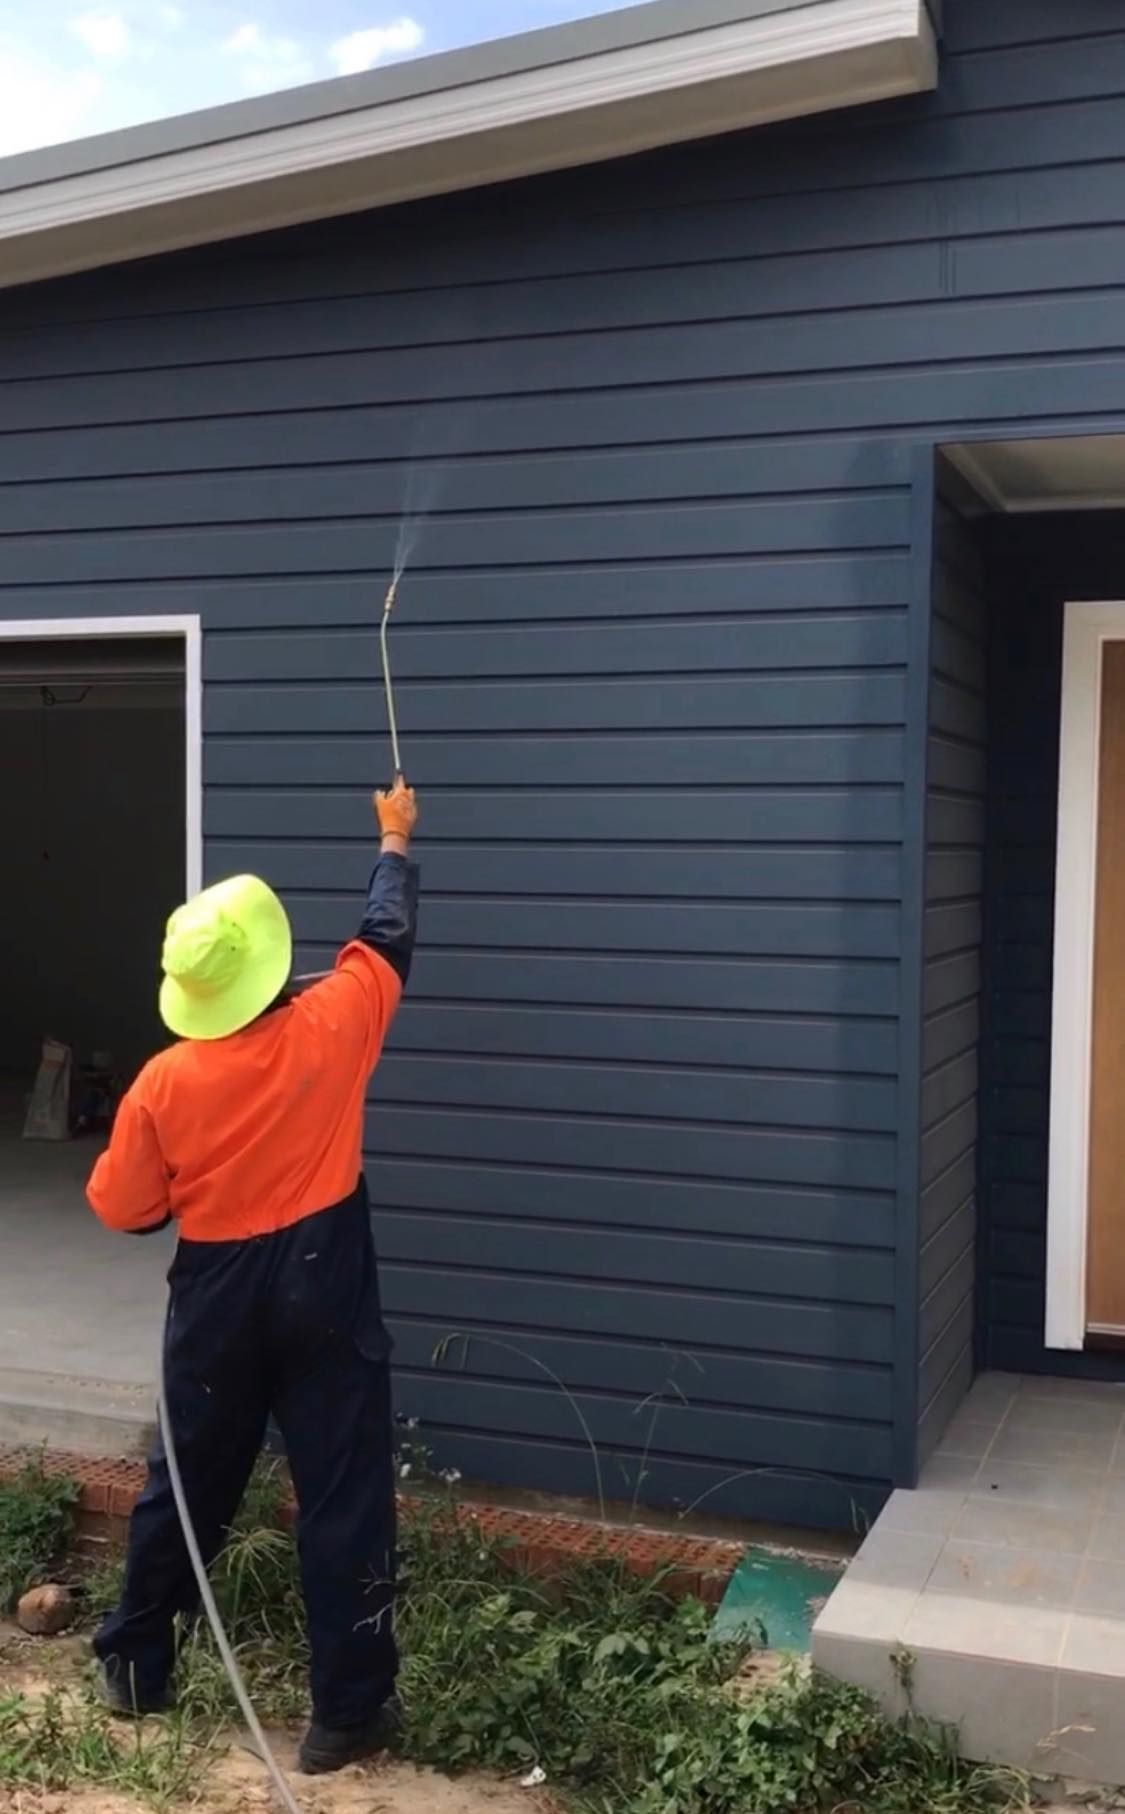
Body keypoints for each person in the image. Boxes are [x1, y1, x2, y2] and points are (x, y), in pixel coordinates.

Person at [85, 778, 419, 1776]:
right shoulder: (337, 1019)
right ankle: (345, 1714)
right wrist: (394, 837)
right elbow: (385, 933)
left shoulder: (163, 1081)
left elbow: (124, 1207)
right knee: (344, 1493)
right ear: (275, 968)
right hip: (327, 1279)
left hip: (218, 1297)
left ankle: (139, 1667)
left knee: (187, 1483)